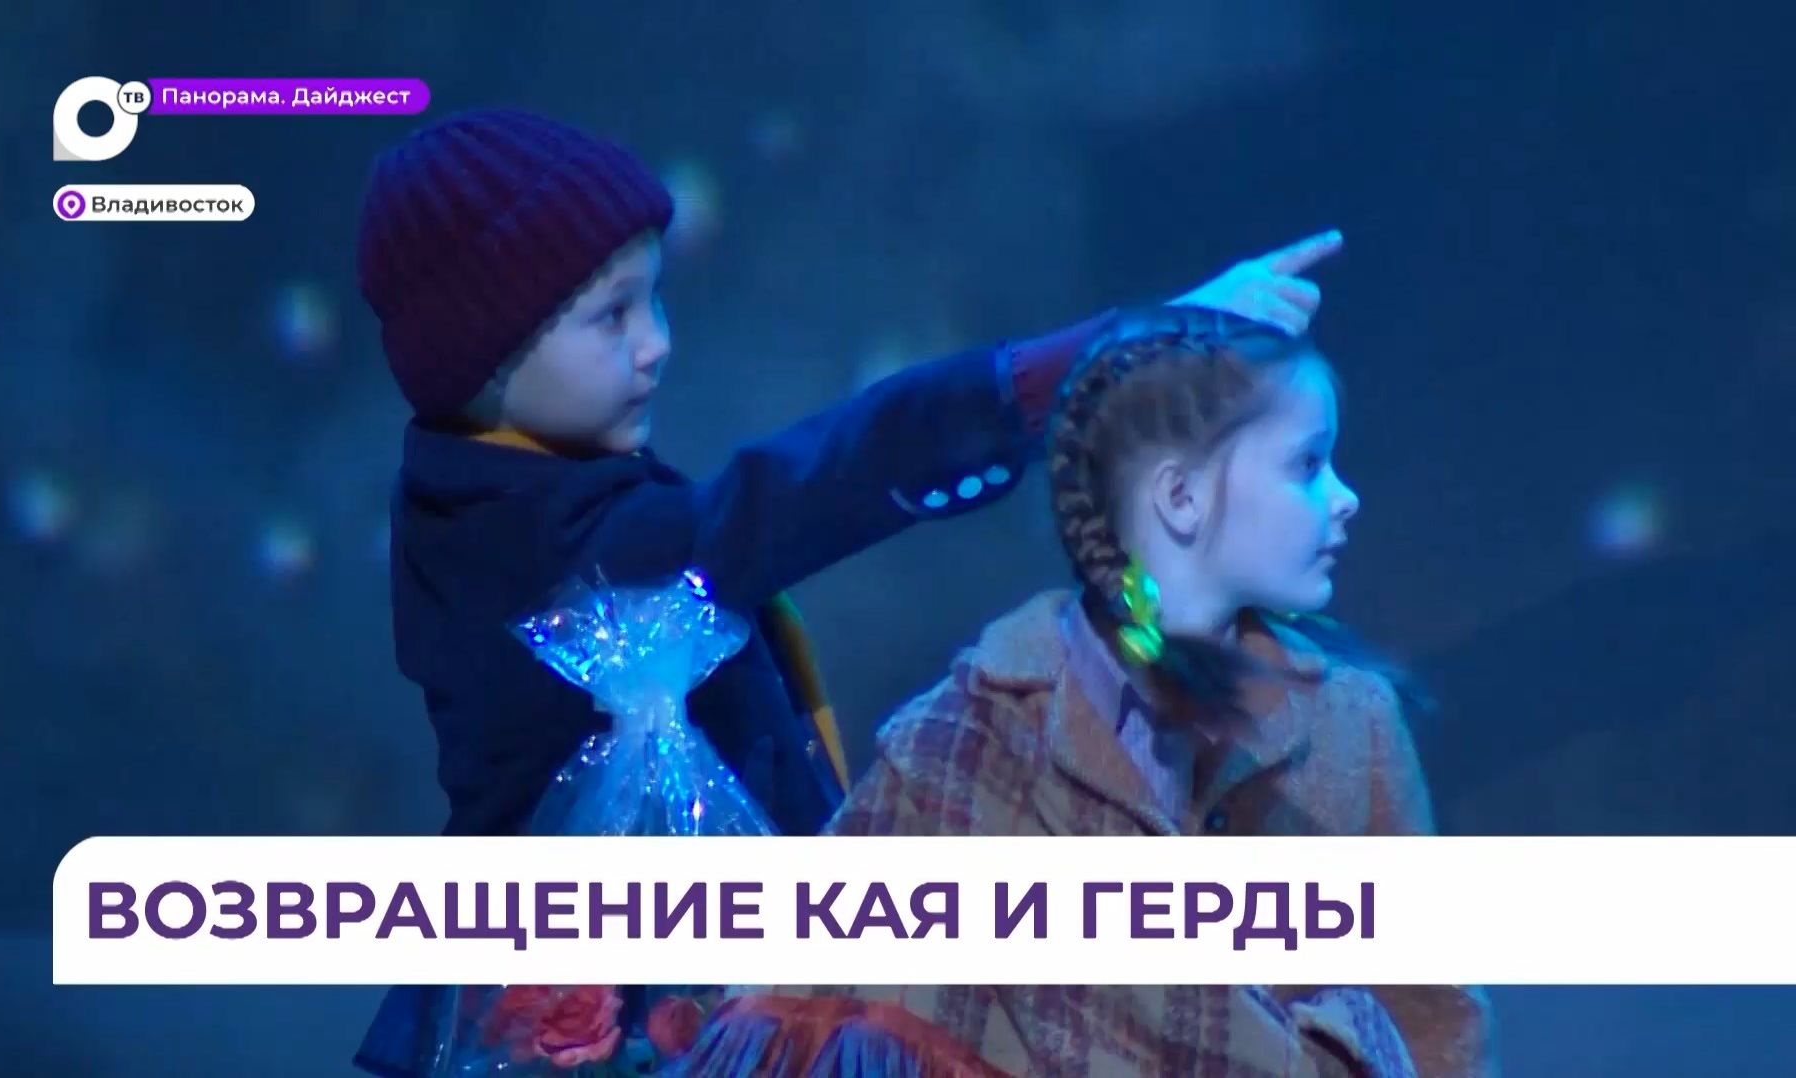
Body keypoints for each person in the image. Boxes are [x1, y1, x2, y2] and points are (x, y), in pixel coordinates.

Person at [350, 105, 1342, 1076]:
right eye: (611, 315)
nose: (655, 342)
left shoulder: (531, 493)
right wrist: (1112, 353)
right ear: (484, 354)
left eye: (653, 300)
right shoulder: (531, 544)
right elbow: (812, 484)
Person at [676, 309, 1498, 1077]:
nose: (1345, 498)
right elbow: (806, 996)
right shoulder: (969, 737)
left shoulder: (1351, 725)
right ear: (1180, 498)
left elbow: (1433, 1019)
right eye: (1307, 466)